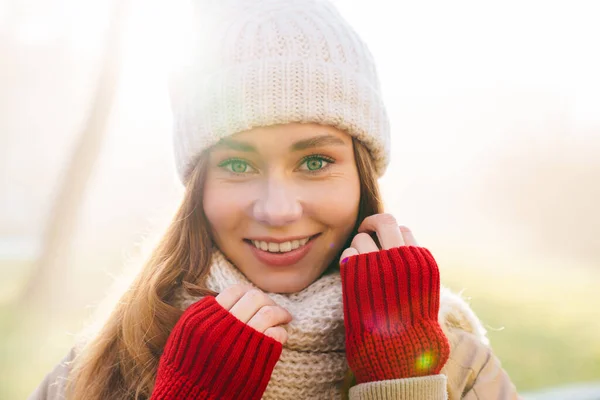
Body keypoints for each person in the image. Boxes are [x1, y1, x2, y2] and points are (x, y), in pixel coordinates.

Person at [30, 0, 519, 399]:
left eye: (314, 162)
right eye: (238, 165)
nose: (278, 210)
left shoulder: (453, 363)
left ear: (362, 174)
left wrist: (404, 382)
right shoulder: (108, 359)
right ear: (198, 186)